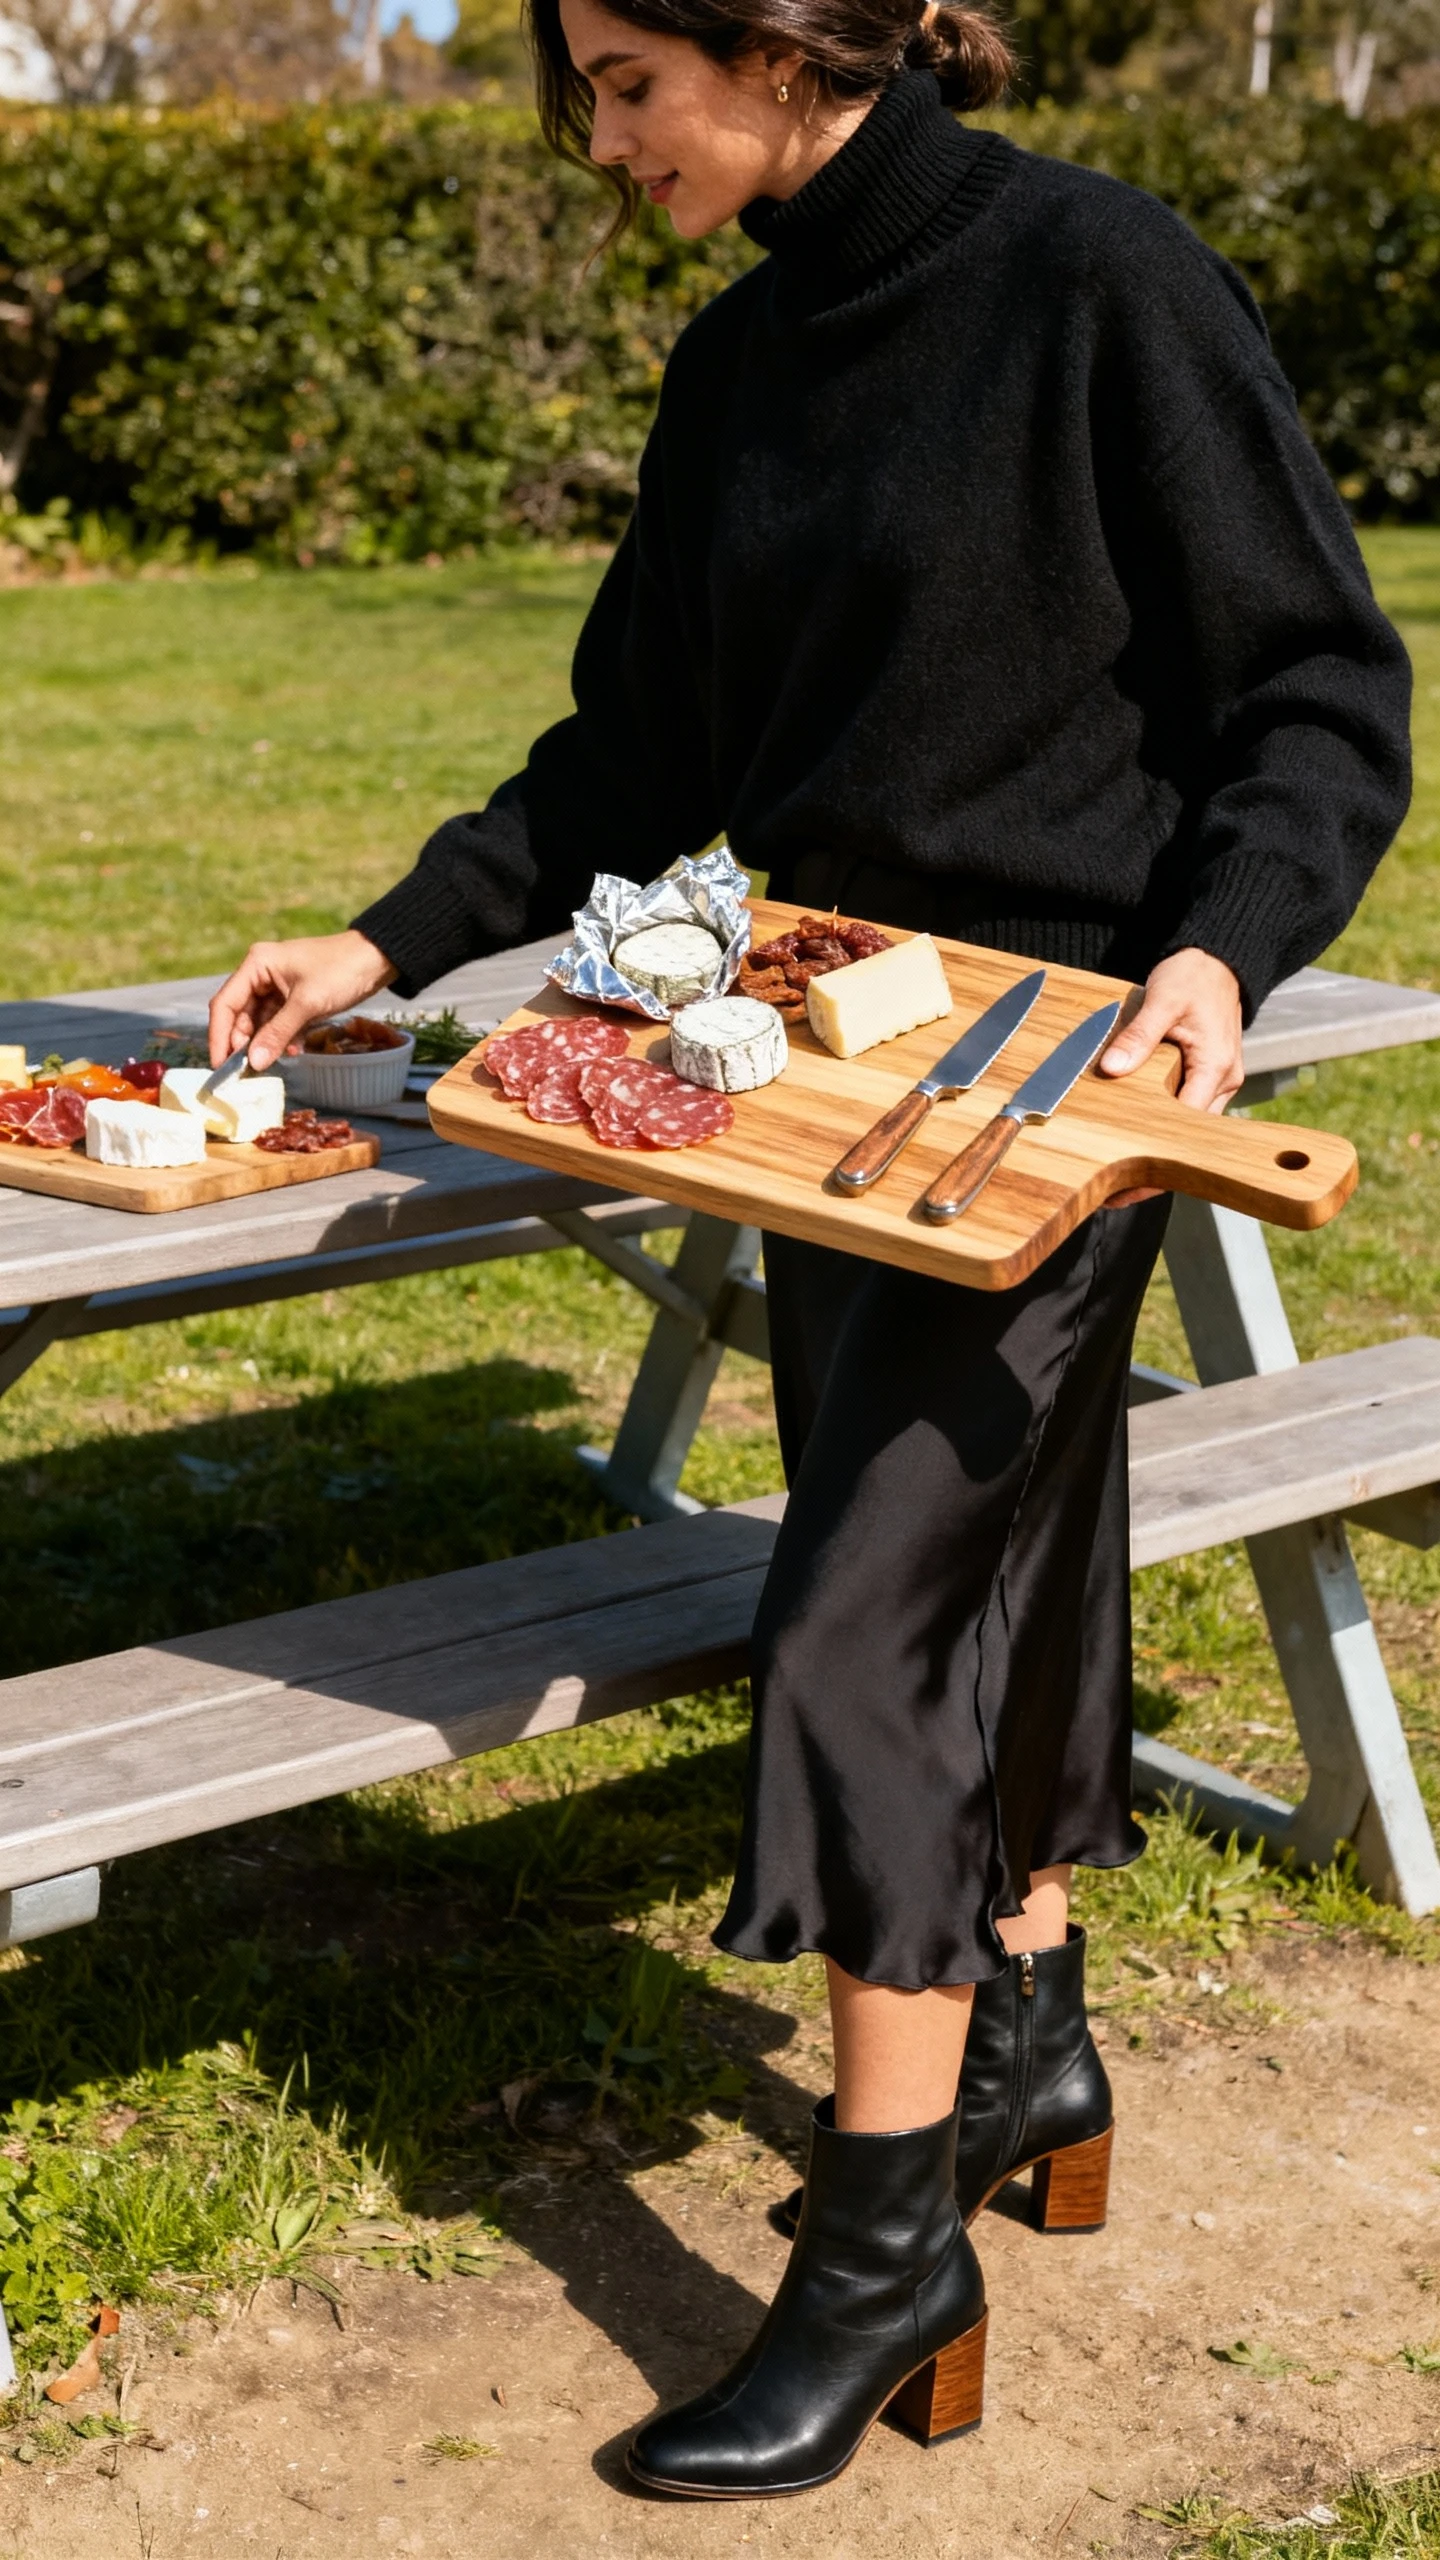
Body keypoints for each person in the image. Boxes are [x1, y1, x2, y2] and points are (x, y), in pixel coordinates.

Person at [209, 0, 1411, 2501]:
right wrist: (386, 939)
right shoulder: (740, 367)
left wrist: (1221, 953)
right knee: (991, 1555)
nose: (604, 137)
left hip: (1056, 1080)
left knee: (863, 1612)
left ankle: (884, 2248)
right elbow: (633, 760)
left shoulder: (1103, 280)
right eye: (592, 89)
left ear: (783, 44)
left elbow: (1312, 688)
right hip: (804, 1065)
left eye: (633, 81)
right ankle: (1031, 2039)